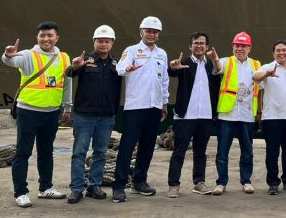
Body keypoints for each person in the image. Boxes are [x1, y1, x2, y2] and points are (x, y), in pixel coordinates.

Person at [1, 22, 72, 208]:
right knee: (23, 152)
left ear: (57, 38)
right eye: (42, 35)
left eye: (50, 35)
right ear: (37, 37)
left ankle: (45, 187)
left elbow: (66, 83)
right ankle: (21, 192)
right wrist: (7, 55)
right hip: (28, 112)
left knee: (46, 151)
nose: (46, 39)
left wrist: (67, 107)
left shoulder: (64, 58)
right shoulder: (27, 55)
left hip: (51, 113)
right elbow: (11, 61)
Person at [112, 16, 169, 203]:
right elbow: (119, 67)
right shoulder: (132, 50)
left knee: (147, 146)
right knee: (127, 146)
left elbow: (164, 80)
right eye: (148, 31)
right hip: (136, 106)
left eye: (155, 32)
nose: (151, 35)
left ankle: (139, 181)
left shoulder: (162, 54)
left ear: (158, 34)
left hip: (154, 106)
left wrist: (164, 103)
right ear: (141, 32)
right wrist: (127, 68)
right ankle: (119, 186)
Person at [65, 25, 122, 204]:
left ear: (112, 43)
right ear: (94, 42)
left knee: (100, 153)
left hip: (106, 116)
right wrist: (74, 67)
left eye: (107, 41)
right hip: (84, 115)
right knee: (79, 152)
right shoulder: (85, 60)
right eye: (100, 41)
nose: (103, 44)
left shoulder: (118, 64)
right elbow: (69, 73)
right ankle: (76, 188)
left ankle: (94, 186)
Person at [165, 32, 221, 198]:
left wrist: (215, 114)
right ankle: (173, 184)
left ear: (207, 47)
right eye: (196, 43)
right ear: (190, 46)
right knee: (179, 151)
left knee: (200, 152)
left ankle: (199, 182)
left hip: (206, 116)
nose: (199, 46)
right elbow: (172, 71)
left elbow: (219, 82)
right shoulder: (184, 63)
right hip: (185, 116)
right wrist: (173, 66)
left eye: (202, 43)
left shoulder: (212, 65)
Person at [211, 31, 262, 195]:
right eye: (237, 45)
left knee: (247, 151)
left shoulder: (256, 64)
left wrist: (259, 112)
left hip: (247, 114)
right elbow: (218, 68)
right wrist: (214, 59)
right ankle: (221, 183)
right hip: (228, 113)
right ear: (233, 46)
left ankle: (246, 181)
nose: (240, 48)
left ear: (249, 48)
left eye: (243, 46)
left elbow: (260, 90)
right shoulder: (226, 61)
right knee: (222, 151)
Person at [252, 39, 286, 195]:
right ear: (273, 53)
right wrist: (268, 74)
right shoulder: (267, 67)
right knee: (272, 152)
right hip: (272, 117)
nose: (281, 53)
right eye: (278, 50)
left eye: (284, 50)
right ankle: (273, 183)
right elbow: (255, 77)